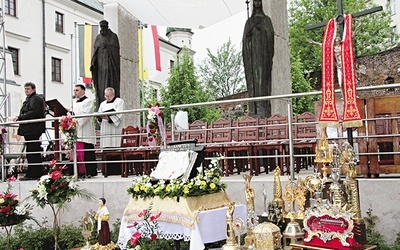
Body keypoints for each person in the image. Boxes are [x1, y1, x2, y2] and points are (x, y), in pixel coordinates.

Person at [242, 0, 274, 118]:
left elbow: (271, 36)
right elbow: (244, 42)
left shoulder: (267, 20)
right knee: (254, 82)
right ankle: (253, 109)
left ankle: (263, 108)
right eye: (254, 0)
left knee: (263, 81)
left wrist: (262, 30)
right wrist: (249, 34)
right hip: (252, 58)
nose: (257, 2)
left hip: (263, 56)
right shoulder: (249, 22)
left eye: (258, 0)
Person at [14, 82, 45, 180]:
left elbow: (34, 113)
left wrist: (20, 117)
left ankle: (34, 173)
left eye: (28, 89)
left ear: (33, 89)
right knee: (31, 151)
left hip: (33, 129)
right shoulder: (30, 99)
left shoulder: (35, 99)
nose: (26, 90)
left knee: (33, 151)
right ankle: (34, 172)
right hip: (30, 129)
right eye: (25, 89)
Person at [90, 20, 120, 106]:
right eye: (101, 26)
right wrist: (93, 62)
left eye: (104, 26)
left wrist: (107, 46)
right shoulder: (98, 37)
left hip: (110, 66)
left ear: (107, 26)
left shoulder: (113, 36)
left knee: (110, 83)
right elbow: (95, 51)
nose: (102, 28)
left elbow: (115, 50)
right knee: (100, 86)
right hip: (100, 67)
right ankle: (101, 103)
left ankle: (111, 99)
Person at [71, 84, 97, 177]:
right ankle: (78, 172)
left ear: (83, 91)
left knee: (87, 151)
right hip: (76, 130)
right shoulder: (74, 102)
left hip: (86, 130)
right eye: (74, 90)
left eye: (77, 90)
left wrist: (73, 114)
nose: (75, 92)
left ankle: (89, 172)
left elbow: (85, 115)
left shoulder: (88, 101)